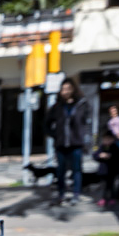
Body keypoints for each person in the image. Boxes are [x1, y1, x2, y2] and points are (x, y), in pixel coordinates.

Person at [48, 76, 90, 204]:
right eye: (63, 89)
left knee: (76, 170)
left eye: (68, 89)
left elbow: (86, 123)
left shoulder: (81, 105)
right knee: (60, 171)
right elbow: (47, 124)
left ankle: (76, 194)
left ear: (73, 90)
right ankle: (61, 194)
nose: (65, 91)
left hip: (76, 143)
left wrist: (84, 137)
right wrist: (55, 135)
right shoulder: (57, 107)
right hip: (61, 144)